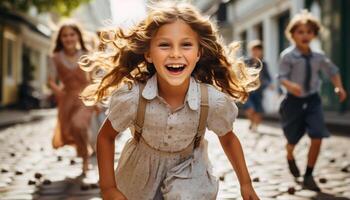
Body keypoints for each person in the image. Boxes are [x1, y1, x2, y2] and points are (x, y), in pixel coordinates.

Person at [80, 2, 260, 200]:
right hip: (139, 178)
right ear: (148, 53)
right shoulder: (133, 99)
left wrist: (246, 183)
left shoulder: (211, 101)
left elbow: (228, 138)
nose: (175, 54)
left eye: (186, 44)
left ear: (198, 52)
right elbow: (105, 137)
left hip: (191, 175)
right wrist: (108, 187)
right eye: (164, 45)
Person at [278, 10, 347, 191]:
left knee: (317, 135)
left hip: (313, 100)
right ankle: (289, 155)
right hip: (293, 102)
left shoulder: (318, 56)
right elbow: (281, 77)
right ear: (292, 34)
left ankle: (308, 174)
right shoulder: (288, 56)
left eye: (309, 32)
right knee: (292, 140)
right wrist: (290, 85)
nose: (305, 35)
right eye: (300, 32)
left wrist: (338, 86)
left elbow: (333, 71)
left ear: (314, 34)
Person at [48, 21, 94, 175]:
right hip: (66, 99)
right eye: (65, 35)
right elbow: (51, 80)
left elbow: (94, 78)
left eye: (72, 34)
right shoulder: (55, 57)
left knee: (79, 124)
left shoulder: (87, 55)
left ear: (78, 36)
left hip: (85, 98)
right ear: (60, 39)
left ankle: (86, 158)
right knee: (71, 131)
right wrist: (58, 92)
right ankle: (84, 151)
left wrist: (98, 98)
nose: (68, 38)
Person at [243, 40, 271, 132]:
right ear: (251, 50)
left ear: (261, 51)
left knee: (258, 110)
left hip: (259, 90)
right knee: (250, 108)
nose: (256, 52)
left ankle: (255, 124)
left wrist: (268, 84)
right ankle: (251, 122)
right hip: (248, 90)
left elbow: (268, 77)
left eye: (258, 50)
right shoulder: (246, 62)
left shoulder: (264, 63)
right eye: (254, 50)